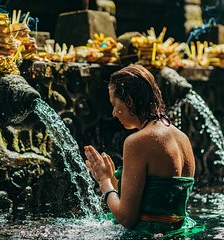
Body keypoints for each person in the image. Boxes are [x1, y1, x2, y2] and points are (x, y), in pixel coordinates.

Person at [84, 64, 204, 236]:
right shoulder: (182, 138)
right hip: (180, 234)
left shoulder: (137, 142)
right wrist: (112, 179)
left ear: (129, 102)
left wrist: (103, 181)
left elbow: (126, 218)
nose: (113, 113)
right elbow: (155, 202)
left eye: (114, 104)